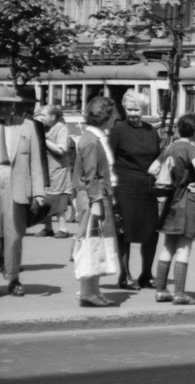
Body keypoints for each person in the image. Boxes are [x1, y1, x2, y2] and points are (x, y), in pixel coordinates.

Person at [107, 90, 161, 289]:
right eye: (129, 109)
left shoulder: (151, 131)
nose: (132, 113)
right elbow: (109, 159)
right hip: (124, 186)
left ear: (143, 109)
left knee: (150, 233)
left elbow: (158, 154)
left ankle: (146, 274)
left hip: (147, 187)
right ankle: (125, 275)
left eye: (136, 109)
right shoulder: (118, 129)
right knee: (125, 232)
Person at [151, 113, 195, 305]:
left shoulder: (170, 148)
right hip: (187, 200)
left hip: (170, 202)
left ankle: (161, 290)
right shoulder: (190, 148)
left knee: (168, 246)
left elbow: (152, 169)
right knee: (184, 246)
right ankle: (179, 293)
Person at [71, 95, 120, 308]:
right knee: (91, 243)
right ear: (105, 116)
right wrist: (97, 201)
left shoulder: (94, 137)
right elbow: (91, 176)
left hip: (97, 196)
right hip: (93, 197)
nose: (116, 117)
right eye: (113, 113)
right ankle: (86, 292)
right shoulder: (91, 140)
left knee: (98, 243)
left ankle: (93, 291)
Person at [2, 98, 46, 296]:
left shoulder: (26, 126)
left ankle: (13, 278)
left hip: (16, 183)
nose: (3, 109)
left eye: (7, 105)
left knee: (14, 235)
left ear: (13, 106)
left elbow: (36, 161)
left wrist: (39, 192)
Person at [39, 105, 76, 237]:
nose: (41, 118)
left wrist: (44, 139)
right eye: (40, 115)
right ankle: (48, 228)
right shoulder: (42, 128)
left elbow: (61, 150)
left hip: (58, 169)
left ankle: (63, 229)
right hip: (44, 168)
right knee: (44, 198)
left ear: (53, 117)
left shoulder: (61, 128)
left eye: (44, 115)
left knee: (58, 198)